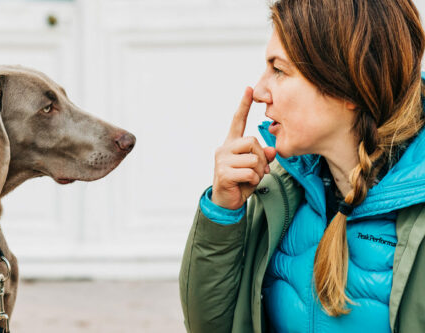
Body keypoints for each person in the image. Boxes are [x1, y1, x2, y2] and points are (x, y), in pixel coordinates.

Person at [179, 0, 425, 332]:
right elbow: (209, 325)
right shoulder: (278, 191)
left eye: (278, 69)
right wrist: (223, 211)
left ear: (347, 84)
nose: (261, 91)